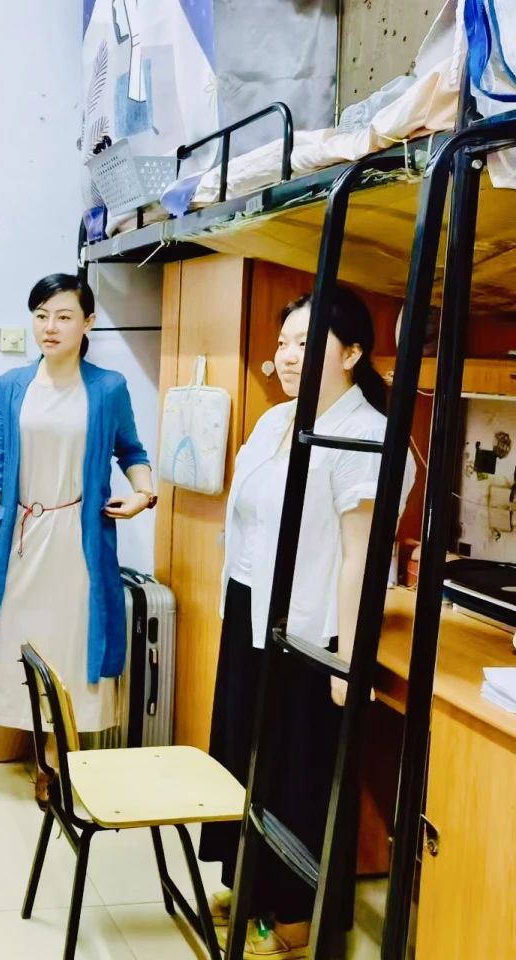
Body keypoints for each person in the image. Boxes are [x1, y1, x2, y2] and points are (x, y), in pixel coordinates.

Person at [199, 286, 414, 958]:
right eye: (284, 342)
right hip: (251, 610)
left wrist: (348, 659)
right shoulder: (275, 421)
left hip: (312, 630)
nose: (288, 356)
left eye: (308, 342)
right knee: (246, 756)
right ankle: (250, 885)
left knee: (301, 773)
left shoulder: (370, 437)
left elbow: (360, 560)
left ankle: (298, 920)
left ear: (351, 353)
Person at [0, 273, 157, 803]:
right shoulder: (11, 387)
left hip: (79, 542)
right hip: (19, 539)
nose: (50, 326)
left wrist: (144, 493)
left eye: (64, 316)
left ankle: (50, 761)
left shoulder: (108, 388)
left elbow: (132, 452)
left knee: (66, 649)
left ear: (88, 323)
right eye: (41, 315)